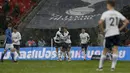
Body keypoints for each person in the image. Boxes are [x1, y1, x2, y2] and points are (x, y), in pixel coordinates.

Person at [97, 1, 129, 71]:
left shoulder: (106, 13)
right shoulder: (117, 13)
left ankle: (100, 67)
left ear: (109, 5)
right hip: (116, 33)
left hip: (108, 33)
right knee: (115, 49)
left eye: (107, 5)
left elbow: (100, 22)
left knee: (105, 50)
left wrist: (102, 31)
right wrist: (119, 29)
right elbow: (126, 22)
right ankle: (113, 67)